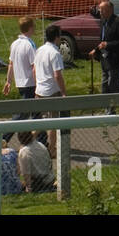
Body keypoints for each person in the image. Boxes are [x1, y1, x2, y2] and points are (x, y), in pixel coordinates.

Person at [34, 25, 66, 159]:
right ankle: (52, 149)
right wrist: (64, 92)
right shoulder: (55, 53)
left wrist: (38, 84)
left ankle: (27, 142)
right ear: (57, 37)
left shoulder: (39, 50)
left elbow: (34, 70)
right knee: (53, 123)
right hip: (52, 91)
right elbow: (57, 75)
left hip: (39, 90)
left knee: (39, 122)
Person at [93, 0, 119, 94]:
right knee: (104, 84)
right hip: (105, 58)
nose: (99, 12)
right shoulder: (103, 21)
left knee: (113, 83)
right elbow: (103, 40)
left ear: (109, 10)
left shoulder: (118, 22)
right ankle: (108, 108)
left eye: (102, 10)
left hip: (115, 59)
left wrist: (108, 45)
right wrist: (96, 50)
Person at [3, 16, 37, 102]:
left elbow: (11, 64)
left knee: (29, 110)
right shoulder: (30, 44)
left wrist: (8, 81)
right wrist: (38, 83)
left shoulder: (14, 44)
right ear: (30, 28)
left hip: (19, 83)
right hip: (30, 83)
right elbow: (34, 66)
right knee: (31, 111)